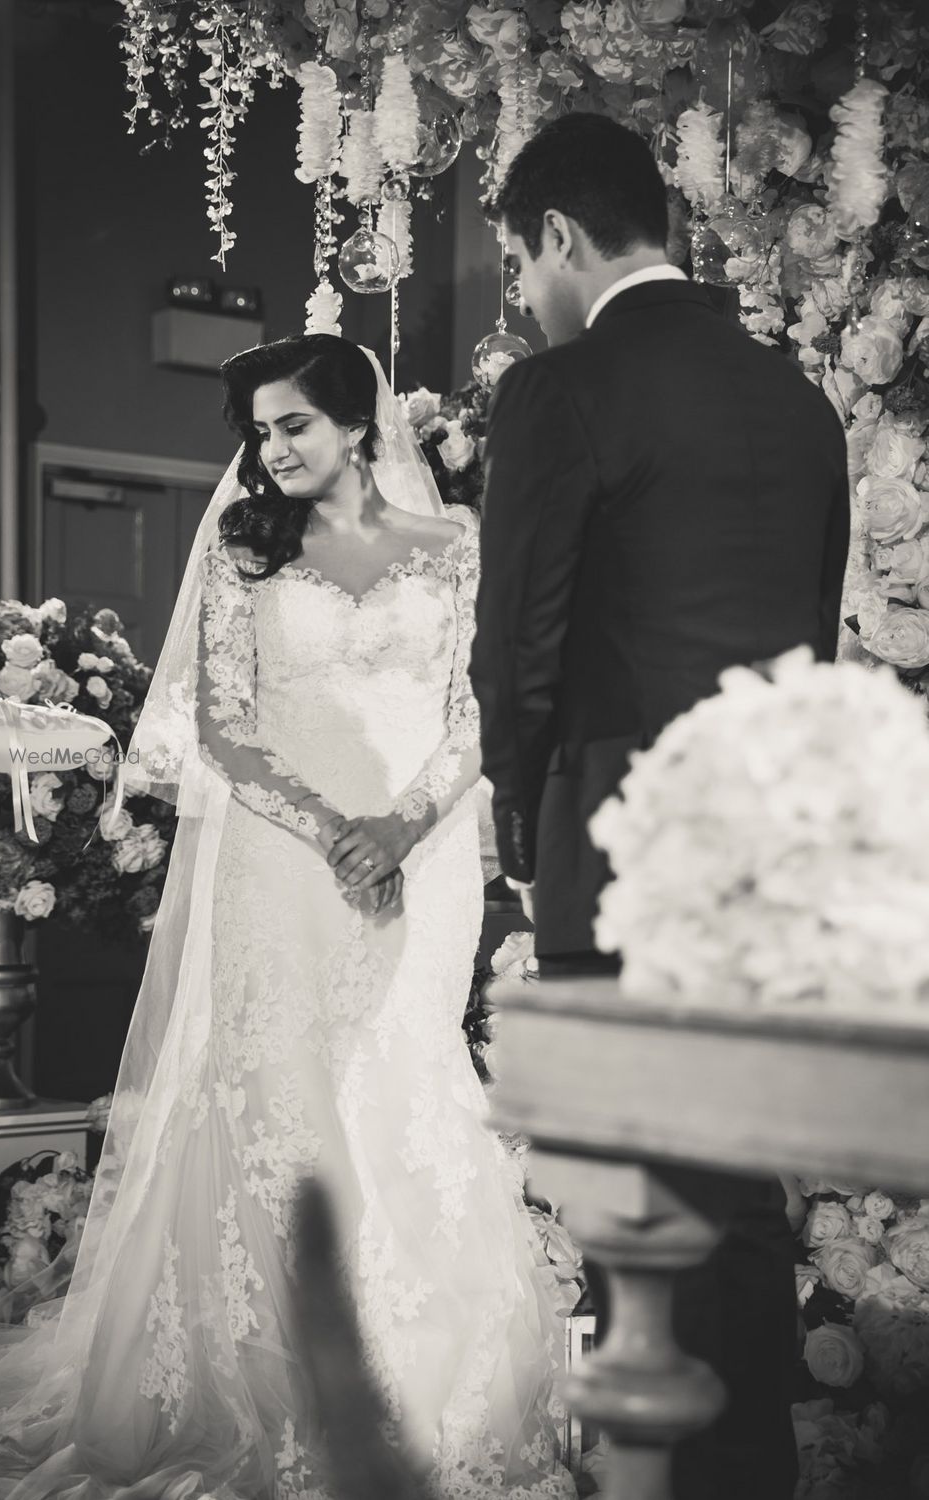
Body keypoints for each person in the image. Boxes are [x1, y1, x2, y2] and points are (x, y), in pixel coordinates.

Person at [0, 335, 576, 1500]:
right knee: (279, 1101)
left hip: (417, 862)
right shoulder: (240, 551)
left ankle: (424, 1382)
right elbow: (223, 725)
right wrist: (337, 830)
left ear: (357, 424)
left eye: (293, 426)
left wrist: (402, 827)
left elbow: (474, 708)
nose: (270, 450)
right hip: (281, 860)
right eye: (260, 431)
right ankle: (269, 1392)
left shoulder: (454, 548)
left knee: (400, 1087)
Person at [469, 114, 849, 1500]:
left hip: (617, 848)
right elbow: (813, 638)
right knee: (740, 1211)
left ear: (560, 239)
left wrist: (518, 836)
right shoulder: (796, 402)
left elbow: (519, 648)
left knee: (638, 1215)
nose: (523, 293)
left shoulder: (561, 392)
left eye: (517, 262)